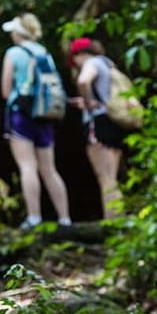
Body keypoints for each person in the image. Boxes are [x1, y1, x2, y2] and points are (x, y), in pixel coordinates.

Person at [0, 12, 72, 229]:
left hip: (21, 114)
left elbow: (6, 90)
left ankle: (34, 217)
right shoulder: (44, 53)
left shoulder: (13, 53)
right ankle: (65, 219)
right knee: (49, 169)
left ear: (18, 32)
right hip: (45, 114)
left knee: (27, 166)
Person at [66, 37, 126, 219]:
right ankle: (118, 217)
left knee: (105, 176)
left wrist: (87, 102)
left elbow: (83, 81)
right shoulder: (108, 64)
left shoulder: (91, 63)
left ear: (79, 55)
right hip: (112, 122)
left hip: (97, 125)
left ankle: (113, 220)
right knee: (112, 175)